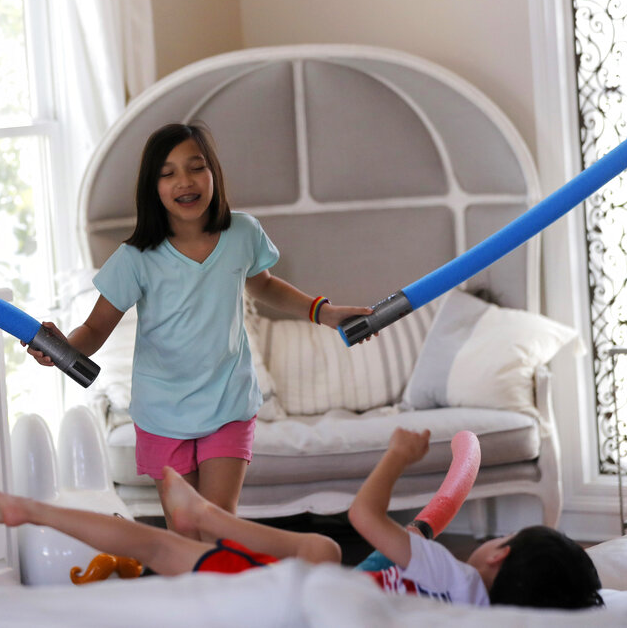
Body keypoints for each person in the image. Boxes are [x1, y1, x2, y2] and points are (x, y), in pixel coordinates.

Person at [26, 122, 372, 533]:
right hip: (161, 412)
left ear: (214, 175)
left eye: (196, 167)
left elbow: (262, 284)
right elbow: (96, 328)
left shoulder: (242, 233)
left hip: (228, 402)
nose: (185, 181)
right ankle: (193, 595)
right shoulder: (135, 258)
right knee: (185, 530)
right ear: (151, 187)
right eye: (168, 173)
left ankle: (224, 594)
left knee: (219, 523)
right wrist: (62, 348)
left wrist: (325, 312)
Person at [0, 427, 604, 609]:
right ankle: (36, 509)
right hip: (317, 596)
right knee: (325, 559)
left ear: (499, 554)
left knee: (323, 553)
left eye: (502, 537)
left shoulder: (456, 574)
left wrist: (397, 456)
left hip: (283, 599)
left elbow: (365, 515)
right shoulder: (475, 612)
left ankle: (37, 510)